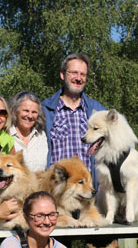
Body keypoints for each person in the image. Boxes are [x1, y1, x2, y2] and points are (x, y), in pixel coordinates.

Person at [41, 53, 106, 185]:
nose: (78, 78)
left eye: (83, 74)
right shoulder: (45, 110)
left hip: (88, 191)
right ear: (62, 74)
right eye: (74, 73)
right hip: (56, 191)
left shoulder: (98, 111)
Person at [8, 91, 48, 172]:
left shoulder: (42, 136)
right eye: (26, 111)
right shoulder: (6, 136)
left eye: (34, 112)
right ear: (15, 112)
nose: (30, 116)